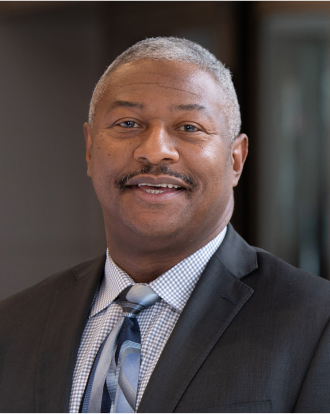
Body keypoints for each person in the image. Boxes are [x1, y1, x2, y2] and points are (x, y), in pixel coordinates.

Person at [1, 37, 330, 413]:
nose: (155, 150)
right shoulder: (13, 327)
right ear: (90, 149)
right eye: (128, 123)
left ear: (235, 159)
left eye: (189, 127)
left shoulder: (317, 324)